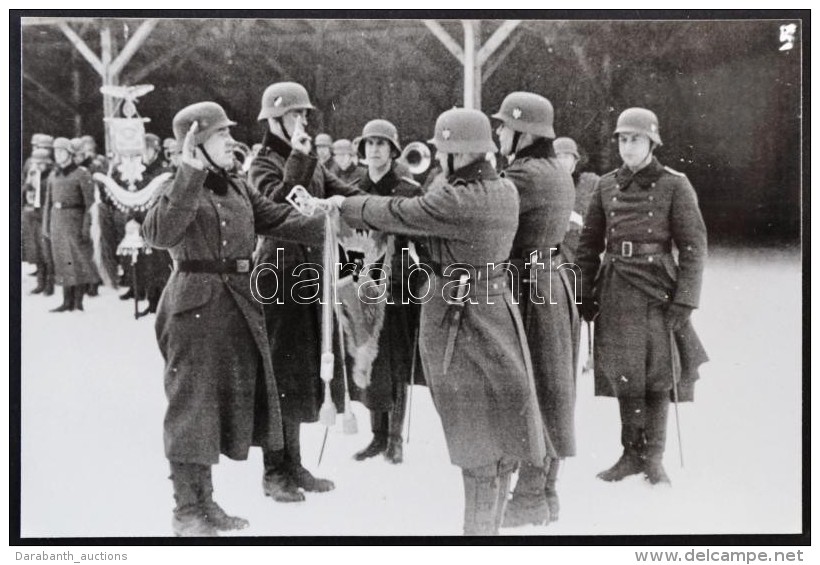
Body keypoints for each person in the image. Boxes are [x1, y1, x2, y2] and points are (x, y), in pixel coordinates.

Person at [327, 108, 550, 535]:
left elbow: (400, 211)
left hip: (460, 324)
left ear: (457, 154)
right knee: (497, 435)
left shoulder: (457, 199)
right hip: (494, 315)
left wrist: (343, 204)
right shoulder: (501, 189)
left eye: (443, 151)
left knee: (477, 441)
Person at [141, 101, 326, 536]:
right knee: (192, 407)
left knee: (218, 407)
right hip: (193, 310)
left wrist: (335, 215)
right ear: (196, 143)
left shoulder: (238, 186)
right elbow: (158, 234)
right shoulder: (175, 185)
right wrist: (188, 174)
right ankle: (187, 510)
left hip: (239, 307)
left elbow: (280, 217)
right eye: (222, 136)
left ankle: (207, 503)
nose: (231, 142)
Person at [576, 107, 709, 486]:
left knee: (658, 372)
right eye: (622, 138)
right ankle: (630, 453)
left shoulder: (674, 185)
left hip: (658, 288)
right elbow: (588, 245)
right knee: (624, 371)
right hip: (616, 286)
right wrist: (584, 291)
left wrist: (685, 298)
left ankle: (654, 457)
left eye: (635, 138)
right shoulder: (604, 186)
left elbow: (694, 246)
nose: (627, 145)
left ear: (652, 142)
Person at [249, 81, 363, 503]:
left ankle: (293, 462)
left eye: (304, 114)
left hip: (310, 272)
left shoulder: (309, 159)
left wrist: (389, 206)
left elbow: (343, 191)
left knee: (299, 373)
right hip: (278, 272)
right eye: (295, 115)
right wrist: (298, 156)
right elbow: (280, 205)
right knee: (279, 371)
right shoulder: (260, 163)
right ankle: (274, 470)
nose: (303, 121)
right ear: (274, 120)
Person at [491, 92, 577, 527]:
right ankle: (544, 495)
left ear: (525, 133)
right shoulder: (555, 169)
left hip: (528, 287)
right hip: (553, 281)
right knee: (552, 386)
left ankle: (528, 500)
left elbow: (489, 213)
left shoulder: (523, 175)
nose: (499, 133)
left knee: (530, 388)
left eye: (505, 127)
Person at [349, 119, 423, 465]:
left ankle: (394, 438)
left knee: (395, 363)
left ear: (393, 151)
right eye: (369, 143)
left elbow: (420, 241)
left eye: (381, 144)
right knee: (368, 357)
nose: (375, 149)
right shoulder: (353, 189)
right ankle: (376, 435)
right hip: (363, 285)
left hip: (398, 286)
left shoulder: (409, 190)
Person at [42, 137, 99, 312]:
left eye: (61, 151)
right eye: (56, 152)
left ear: (70, 153)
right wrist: (46, 225)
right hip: (57, 221)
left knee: (77, 260)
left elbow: (90, 204)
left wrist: (86, 226)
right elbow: (47, 203)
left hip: (75, 221)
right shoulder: (53, 175)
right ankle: (66, 301)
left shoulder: (82, 174)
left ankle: (78, 301)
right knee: (62, 261)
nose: (58, 155)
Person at [553, 136, 600, 264]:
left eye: (567, 157)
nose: (562, 161)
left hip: (580, 251)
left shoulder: (590, 183)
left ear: (575, 160)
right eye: (558, 156)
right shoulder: (544, 185)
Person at [22, 143, 55, 295]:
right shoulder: (32, 174)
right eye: (36, 162)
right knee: (35, 249)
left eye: (41, 163)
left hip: (45, 214)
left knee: (46, 251)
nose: (38, 165)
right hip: (32, 214)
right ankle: (40, 282)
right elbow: (25, 192)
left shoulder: (51, 176)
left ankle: (49, 284)